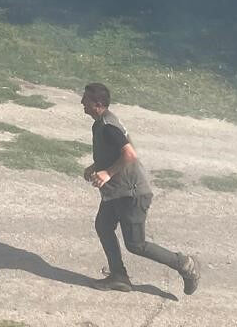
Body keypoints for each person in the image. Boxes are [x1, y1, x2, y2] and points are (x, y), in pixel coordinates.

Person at [80, 82, 201, 295]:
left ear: (98, 103)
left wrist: (107, 173)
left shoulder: (108, 126)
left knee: (136, 244)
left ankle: (185, 264)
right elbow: (118, 152)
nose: (82, 102)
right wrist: (96, 167)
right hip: (117, 193)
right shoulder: (101, 124)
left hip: (131, 193)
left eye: (86, 99)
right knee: (103, 226)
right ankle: (119, 276)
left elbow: (130, 154)